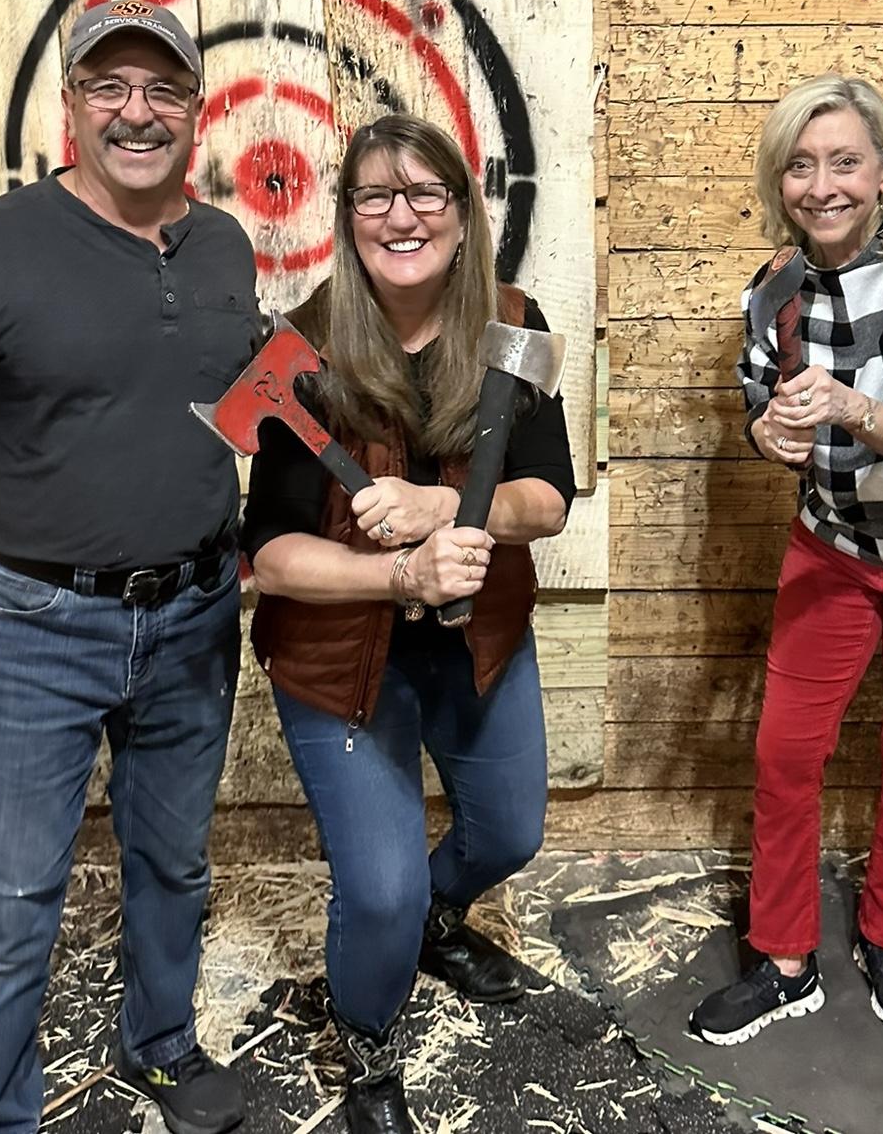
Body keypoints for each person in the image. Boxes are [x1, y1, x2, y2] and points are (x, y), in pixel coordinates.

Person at [0, 0, 259, 1134]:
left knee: (173, 864)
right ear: (72, 107)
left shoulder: (223, 244)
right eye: (108, 88)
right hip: (34, 628)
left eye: (162, 89)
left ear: (195, 108)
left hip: (195, 613)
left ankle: (162, 1044)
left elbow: (240, 405)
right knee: (14, 898)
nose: (137, 111)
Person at [241, 113, 575, 1133]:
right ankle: (370, 1039)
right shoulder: (300, 351)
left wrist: (444, 510)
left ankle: (436, 917)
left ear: (465, 217)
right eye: (377, 196)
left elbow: (549, 498)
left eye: (427, 192)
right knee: (374, 894)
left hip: (478, 638)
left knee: (511, 832)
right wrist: (397, 577)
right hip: (344, 657)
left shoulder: (518, 324)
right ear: (348, 219)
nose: (403, 215)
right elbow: (271, 558)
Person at [688, 74, 883, 1046]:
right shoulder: (773, 287)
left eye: (845, 161)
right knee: (783, 754)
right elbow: (757, 405)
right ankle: (784, 959)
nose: (822, 186)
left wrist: (851, 406)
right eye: (801, 166)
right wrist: (769, 431)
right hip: (826, 546)